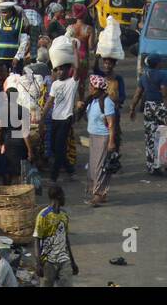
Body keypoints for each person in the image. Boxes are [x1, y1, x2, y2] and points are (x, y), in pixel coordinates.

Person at [130, 54, 167, 175]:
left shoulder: (144, 77)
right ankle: (165, 162)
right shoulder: (162, 76)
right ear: (158, 63)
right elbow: (165, 95)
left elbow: (138, 94)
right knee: (165, 135)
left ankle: (151, 166)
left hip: (148, 107)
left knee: (150, 136)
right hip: (160, 106)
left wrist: (132, 108)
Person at [34, 183, 78, 286]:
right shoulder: (43, 215)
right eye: (63, 195)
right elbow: (37, 239)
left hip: (64, 259)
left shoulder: (64, 216)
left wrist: (72, 261)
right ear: (58, 196)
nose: (65, 198)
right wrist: (38, 263)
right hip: (48, 261)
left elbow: (66, 239)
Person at [85, 75, 117, 206]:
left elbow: (111, 123)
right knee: (93, 166)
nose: (89, 88)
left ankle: (98, 194)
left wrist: (111, 141)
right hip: (93, 136)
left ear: (97, 88)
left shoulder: (107, 102)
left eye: (91, 86)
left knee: (100, 167)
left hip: (103, 138)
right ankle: (100, 193)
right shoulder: (93, 100)